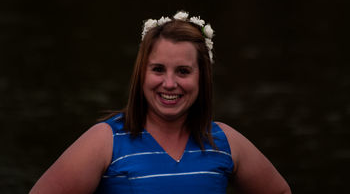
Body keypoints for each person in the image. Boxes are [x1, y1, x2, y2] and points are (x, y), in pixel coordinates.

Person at [29, 11, 291, 194]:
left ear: (202, 78)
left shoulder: (224, 142)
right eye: (157, 69)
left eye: (183, 71)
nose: (169, 83)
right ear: (141, 73)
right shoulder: (105, 142)